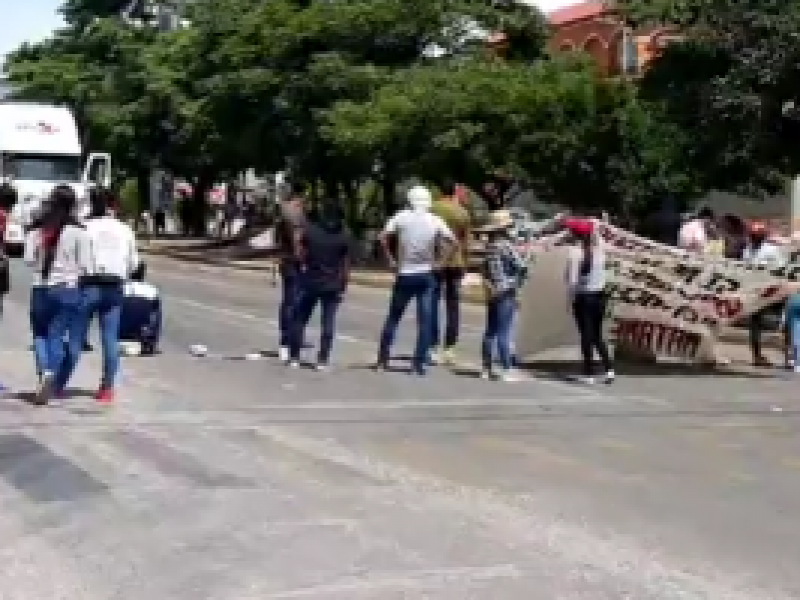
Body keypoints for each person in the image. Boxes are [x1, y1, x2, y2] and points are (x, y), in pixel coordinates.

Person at [376, 185, 454, 375]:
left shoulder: (401, 217)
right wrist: (441, 262)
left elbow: (383, 237)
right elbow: (452, 242)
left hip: (405, 273)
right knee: (425, 321)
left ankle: (382, 360)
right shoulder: (435, 220)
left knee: (393, 318)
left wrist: (390, 259)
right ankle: (418, 364)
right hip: (426, 274)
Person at [24, 185, 89, 404]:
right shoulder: (79, 232)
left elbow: (29, 260)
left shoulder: (37, 229)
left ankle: (45, 372)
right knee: (56, 335)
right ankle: (52, 371)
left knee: (40, 334)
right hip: (68, 289)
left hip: (41, 288)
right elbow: (87, 267)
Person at [77, 188, 139, 402]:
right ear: (114, 205)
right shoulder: (124, 229)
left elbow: (76, 259)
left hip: (88, 285)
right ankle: (107, 388)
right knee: (110, 338)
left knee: (76, 335)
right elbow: (133, 263)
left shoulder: (84, 227)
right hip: (114, 286)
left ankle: (58, 381)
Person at [287, 206, 351, 370]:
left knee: (300, 319)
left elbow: (300, 255)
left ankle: (294, 357)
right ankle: (322, 360)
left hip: (310, 282)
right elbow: (345, 266)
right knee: (328, 322)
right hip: (332, 284)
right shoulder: (343, 236)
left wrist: (303, 266)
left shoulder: (310, 232)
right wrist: (343, 287)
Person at [477, 210, 527, 381]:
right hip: (506, 290)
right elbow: (521, 266)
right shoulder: (505, 245)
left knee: (490, 331)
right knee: (504, 331)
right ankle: (507, 368)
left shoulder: (489, 246)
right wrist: (517, 283)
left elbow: (484, 269)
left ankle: (486, 368)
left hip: (492, 290)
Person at [564, 218, 614, 384]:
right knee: (597, 335)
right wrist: (597, 225)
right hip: (600, 295)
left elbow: (571, 282)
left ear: (575, 234)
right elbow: (598, 232)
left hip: (584, 297)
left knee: (586, 335)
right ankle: (609, 369)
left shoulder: (575, 253)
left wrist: (569, 301)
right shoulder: (600, 249)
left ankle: (589, 373)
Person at [429, 179, 472, 365]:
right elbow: (465, 241)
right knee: (453, 306)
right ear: (454, 191)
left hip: (435, 260)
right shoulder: (462, 212)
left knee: (432, 304)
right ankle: (450, 348)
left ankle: (432, 345)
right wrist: (466, 263)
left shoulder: (431, 209)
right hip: (456, 261)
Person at [742, 220, 786, 367]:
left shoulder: (771, 250)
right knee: (755, 323)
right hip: (755, 291)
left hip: (772, 290)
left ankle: (788, 354)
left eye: (757, 236)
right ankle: (757, 356)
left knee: (785, 319)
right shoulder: (747, 250)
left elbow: (780, 268)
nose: (754, 238)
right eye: (753, 235)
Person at [274, 183, 307, 362]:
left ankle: (290, 337)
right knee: (293, 301)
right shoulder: (293, 212)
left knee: (290, 300)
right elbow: (296, 238)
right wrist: (301, 259)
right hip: (293, 262)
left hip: (286, 260)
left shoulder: (285, 210)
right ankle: (287, 339)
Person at [120, 261, 161, 356]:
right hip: (141, 333)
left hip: (120, 332)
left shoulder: (120, 287)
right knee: (156, 311)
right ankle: (151, 344)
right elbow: (155, 317)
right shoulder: (152, 290)